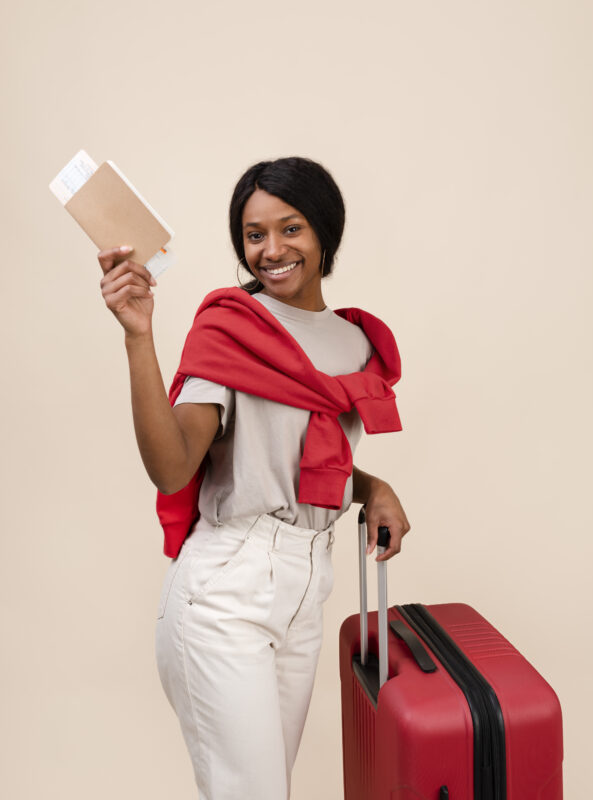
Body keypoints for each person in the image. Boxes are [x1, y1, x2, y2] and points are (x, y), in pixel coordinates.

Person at [97, 156, 411, 800]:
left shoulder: (353, 343)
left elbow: (306, 462)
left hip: (306, 594)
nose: (271, 251)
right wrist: (139, 337)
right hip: (226, 592)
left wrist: (370, 485)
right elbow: (174, 465)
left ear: (325, 232)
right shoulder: (234, 330)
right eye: (254, 235)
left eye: (290, 229)